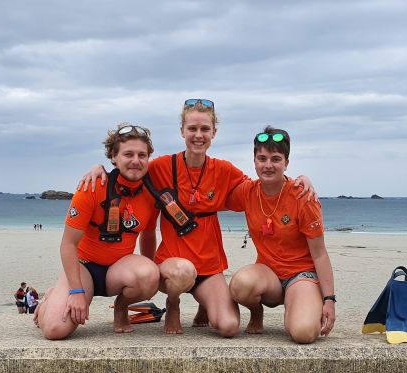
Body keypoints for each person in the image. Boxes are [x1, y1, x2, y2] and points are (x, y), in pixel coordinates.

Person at [79, 99, 316, 336]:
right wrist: (100, 169)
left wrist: (298, 180)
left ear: (214, 132)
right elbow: (129, 168)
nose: (198, 135)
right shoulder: (161, 166)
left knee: (229, 326)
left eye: (205, 129)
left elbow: (262, 185)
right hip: (173, 267)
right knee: (184, 270)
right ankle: (173, 304)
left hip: (209, 267)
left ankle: (205, 304)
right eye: (192, 128)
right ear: (182, 130)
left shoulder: (223, 170)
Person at [34, 123, 161, 339]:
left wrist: (151, 280)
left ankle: (120, 308)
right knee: (55, 330)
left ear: (149, 158)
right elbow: (68, 244)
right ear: (114, 157)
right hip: (84, 269)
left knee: (149, 274)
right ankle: (50, 298)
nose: (136, 161)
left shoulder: (150, 193)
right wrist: (75, 291)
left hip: (119, 270)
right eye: (128, 154)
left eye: (142, 155)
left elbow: (148, 235)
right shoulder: (92, 186)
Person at [225, 127, 335, 343]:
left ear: (286, 163)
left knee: (303, 334)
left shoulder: (302, 195)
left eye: (276, 159)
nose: (268, 165)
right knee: (240, 285)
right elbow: (212, 196)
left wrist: (329, 299)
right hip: (269, 276)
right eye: (262, 158)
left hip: (301, 275)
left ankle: (297, 306)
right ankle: (257, 312)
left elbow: (320, 254)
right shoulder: (247, 191)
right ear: (254, 161)